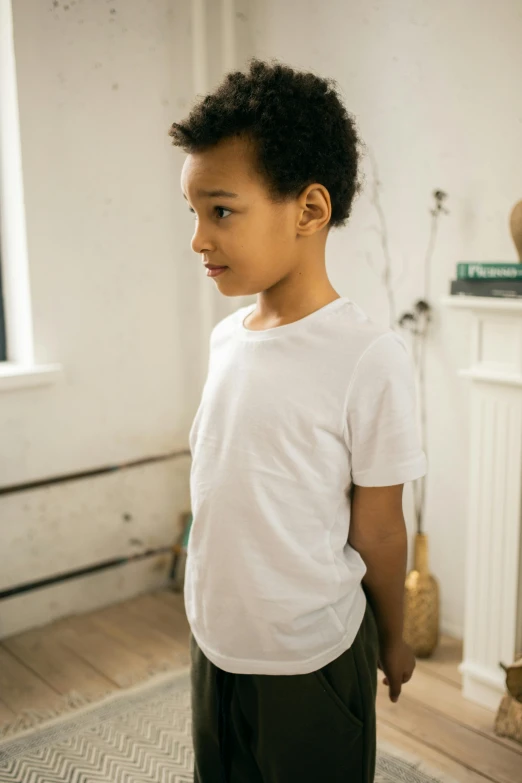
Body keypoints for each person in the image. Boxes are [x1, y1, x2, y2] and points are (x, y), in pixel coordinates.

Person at [168, 58, 427, 783]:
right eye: (192, 212)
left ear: (309, 210)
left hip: (310, 658)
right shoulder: (227, 339)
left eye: (220, 210)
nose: (197, 238)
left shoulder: (368, 356)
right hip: (216, 644)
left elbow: (378, 525)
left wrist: (395, 636)